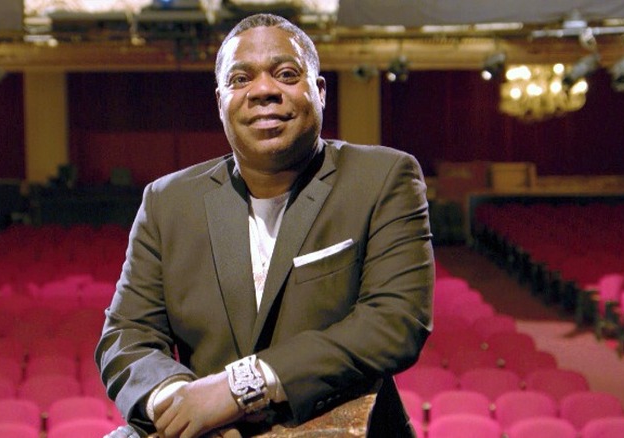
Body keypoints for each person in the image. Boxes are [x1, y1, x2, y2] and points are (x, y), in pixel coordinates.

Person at [96, 13, 434, 438]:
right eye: (240, 79)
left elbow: (394, 322)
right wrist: (179, 402)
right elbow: (127, 335)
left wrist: (238, 388)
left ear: (320, 91)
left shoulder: (383, 177)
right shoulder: (167, 202)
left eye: (286, 74)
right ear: (221, 101)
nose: (263, 91)